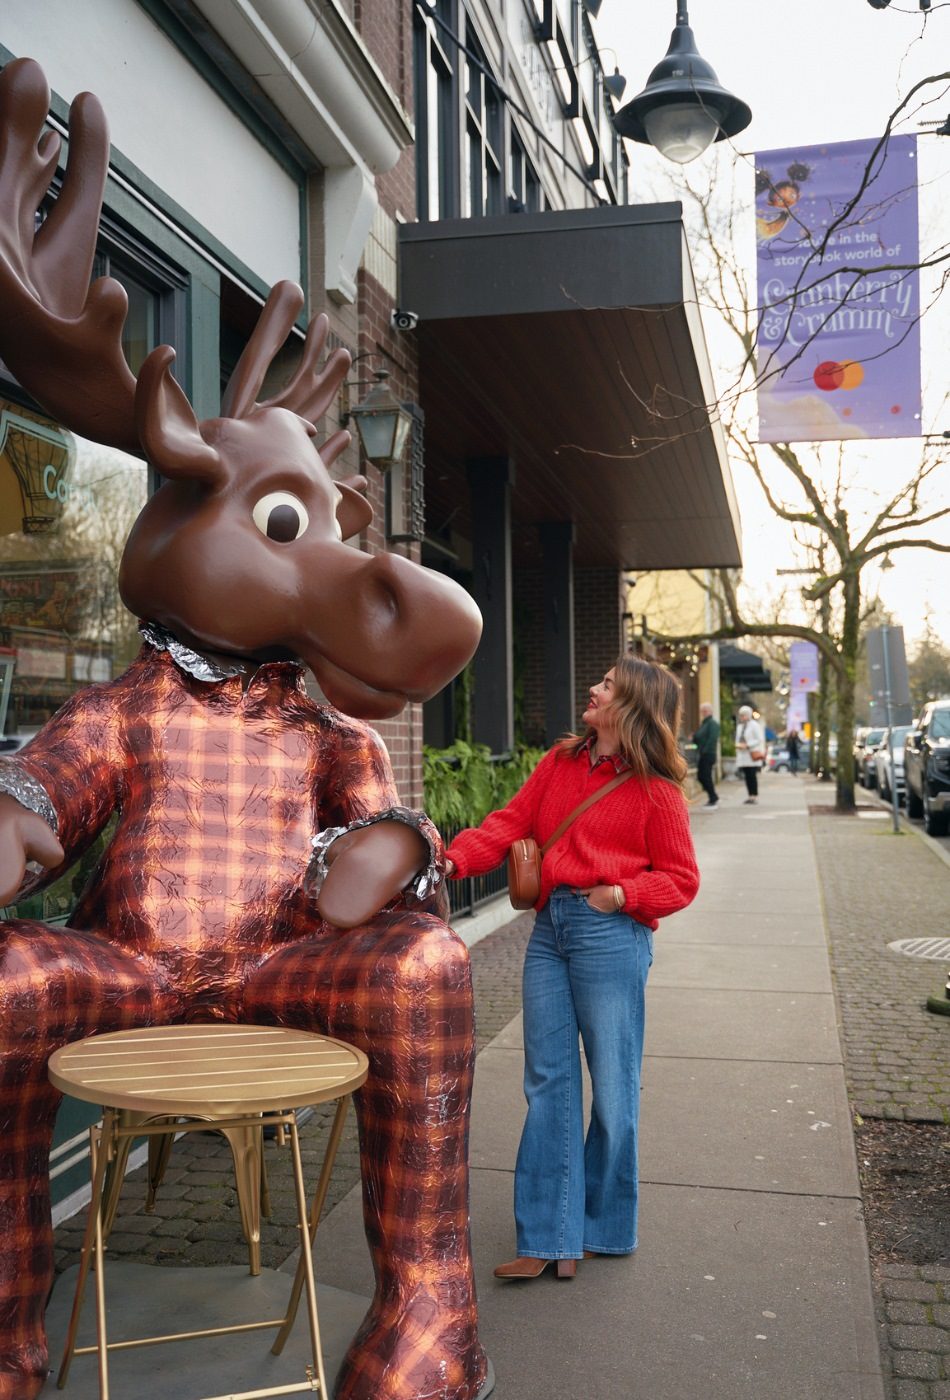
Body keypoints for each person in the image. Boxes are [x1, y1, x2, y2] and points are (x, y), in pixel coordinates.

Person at [444, 656, 699, 1280]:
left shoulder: (655, 791)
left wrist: (622, 896)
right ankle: (547, 1233)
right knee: (547, 1082)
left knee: (612, 1089)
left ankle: (604, 1228)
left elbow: (682, 880)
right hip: (550, 930)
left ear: (633, 705)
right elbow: (510, 824)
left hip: (609, 934)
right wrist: (448, 862)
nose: (593, 687)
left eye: (608, 684)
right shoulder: (559, 763)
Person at [692, 702, 721, 809]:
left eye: (706, 710)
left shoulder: (713, 724)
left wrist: (704, 751)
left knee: (705, 776)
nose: (704, 713)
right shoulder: (704, 724)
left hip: (708, 754)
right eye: (702, 711)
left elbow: (712, 739)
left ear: (711, 711)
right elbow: (698, 737)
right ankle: (713, 796)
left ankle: (713, 797)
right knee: (701, 776)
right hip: (702, 754)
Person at [735, 704, 766, 804]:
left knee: (752, 776)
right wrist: (738, 745)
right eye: (741, 715)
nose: (742, 717)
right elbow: (738, 738)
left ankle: (754, 796)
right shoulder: (740, 726)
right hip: (742, 754)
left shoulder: (754, 725)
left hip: (751, 754)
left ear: (748, 715)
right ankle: (749, 795)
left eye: (744, 715)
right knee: (747, 776)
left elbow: (759, 739)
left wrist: (748, 745)